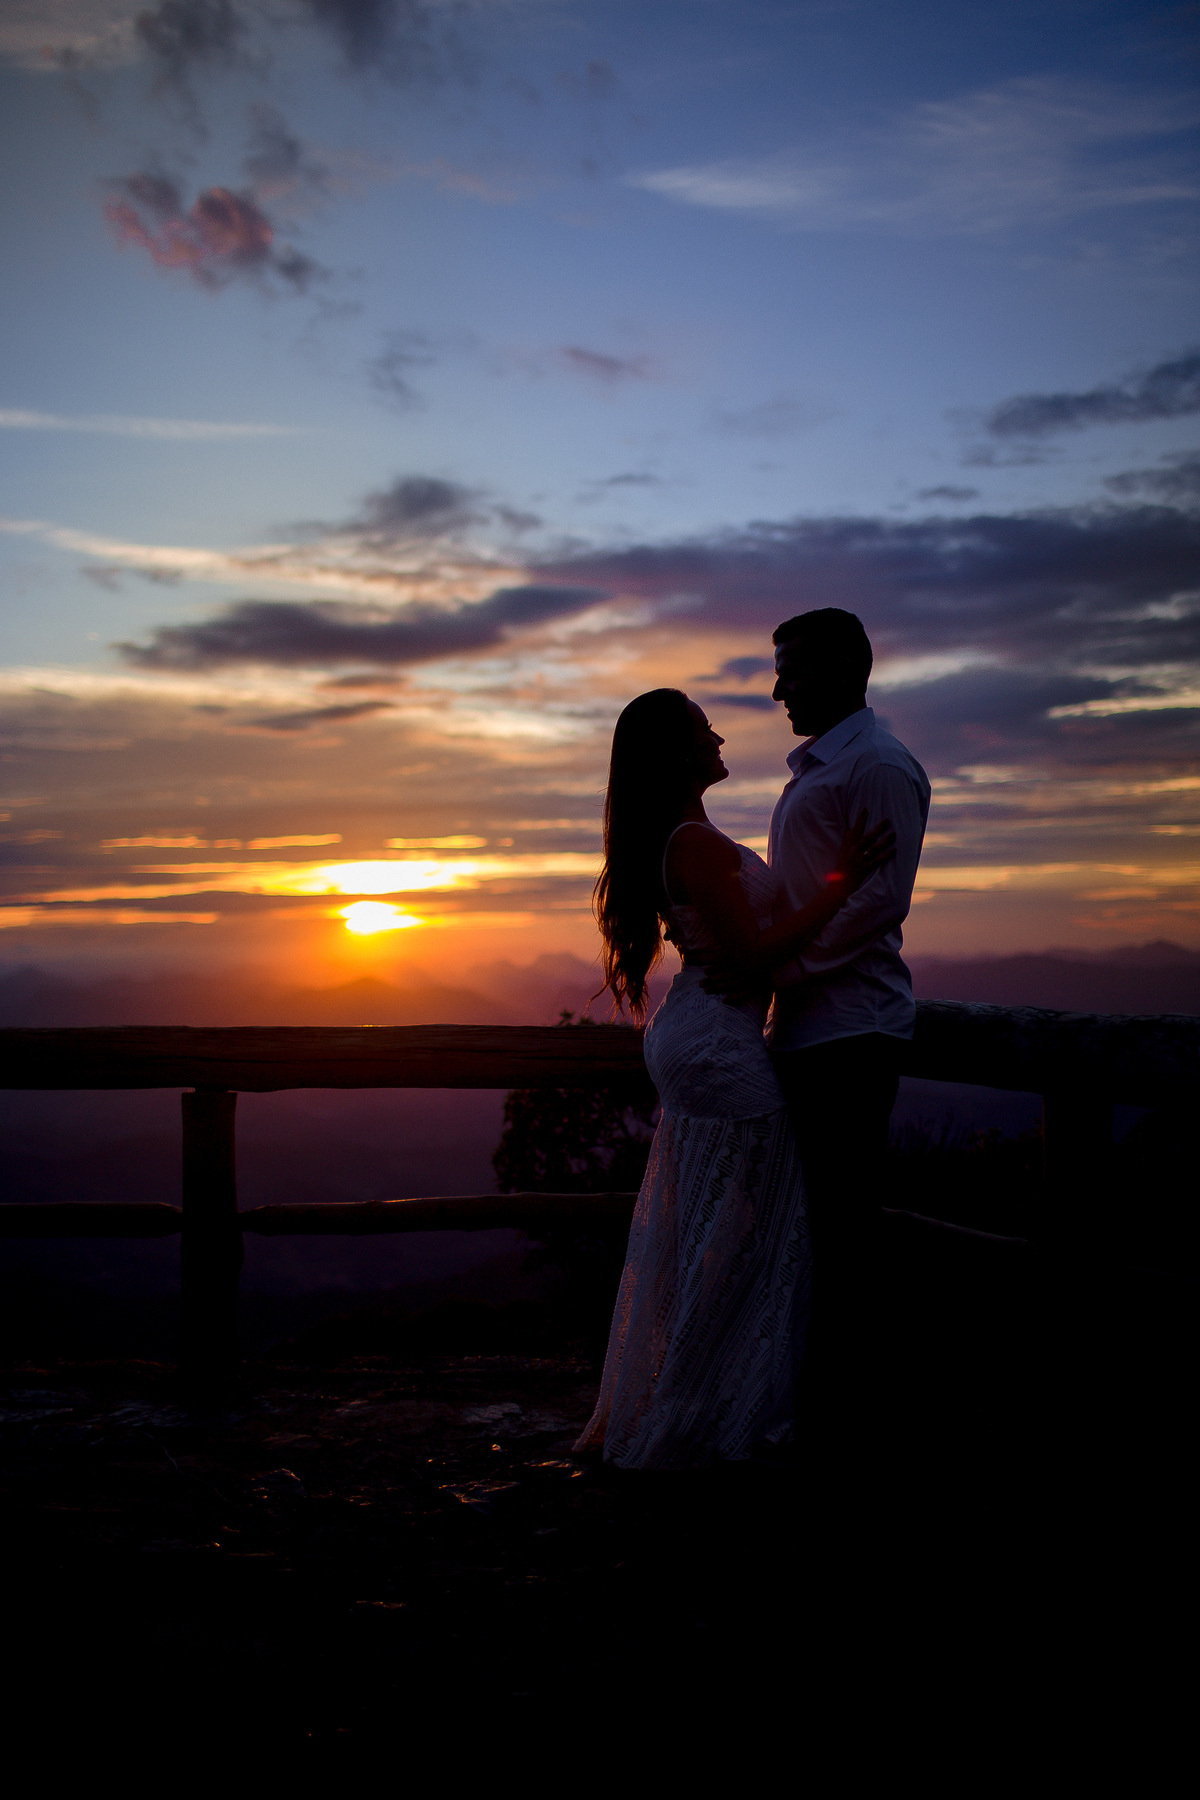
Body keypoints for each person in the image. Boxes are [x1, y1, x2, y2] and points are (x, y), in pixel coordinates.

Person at [575, 687, 894, 1469]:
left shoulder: (689, 838)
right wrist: (843, 882)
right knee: (758, 1226)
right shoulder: (690, 841)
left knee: (725, 1223)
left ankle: (700, 1394)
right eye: (701, 728)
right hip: (716, 1043)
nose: (718, 736)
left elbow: (735, 945)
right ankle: (710, 1407)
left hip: (705, 1034)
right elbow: (753, 957)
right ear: (678, 753)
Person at [763, 608, 931, 1411]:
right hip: (805, 1028)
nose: (776, 691)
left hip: (851, 1030)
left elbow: (877, 901)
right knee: (807, 1226)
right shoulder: (821, 767)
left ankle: (848, 1410)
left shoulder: (880, 767)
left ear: (841, 665)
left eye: (791, 672)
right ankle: (813, 1398)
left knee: (839, 1230)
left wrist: (784, 969)